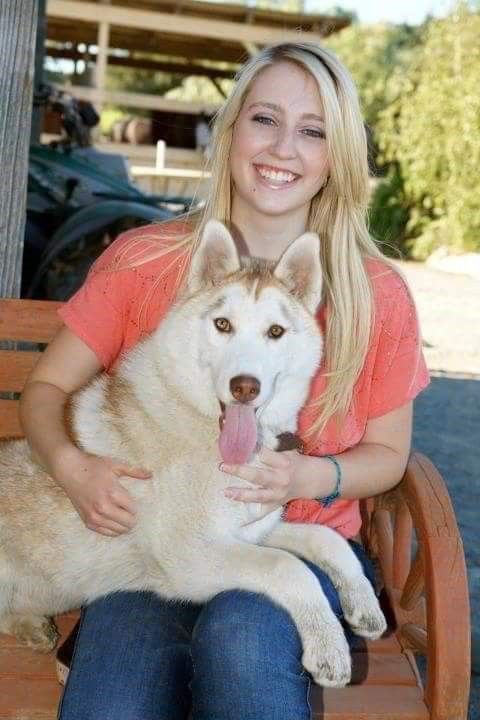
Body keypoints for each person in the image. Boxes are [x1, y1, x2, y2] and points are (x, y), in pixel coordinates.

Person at [20, 41, 430, 720]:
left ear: (338, 155)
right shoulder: (148, 260)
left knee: (242, 637)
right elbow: (45, 392)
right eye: (265, 119)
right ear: (232, 127)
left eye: (313, 130)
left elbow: (388, 458)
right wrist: (71, 467)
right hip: (146, 554)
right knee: (114, 687)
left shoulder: (375, 294)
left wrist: (309, 478)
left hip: (286, 542)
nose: (282, 148)